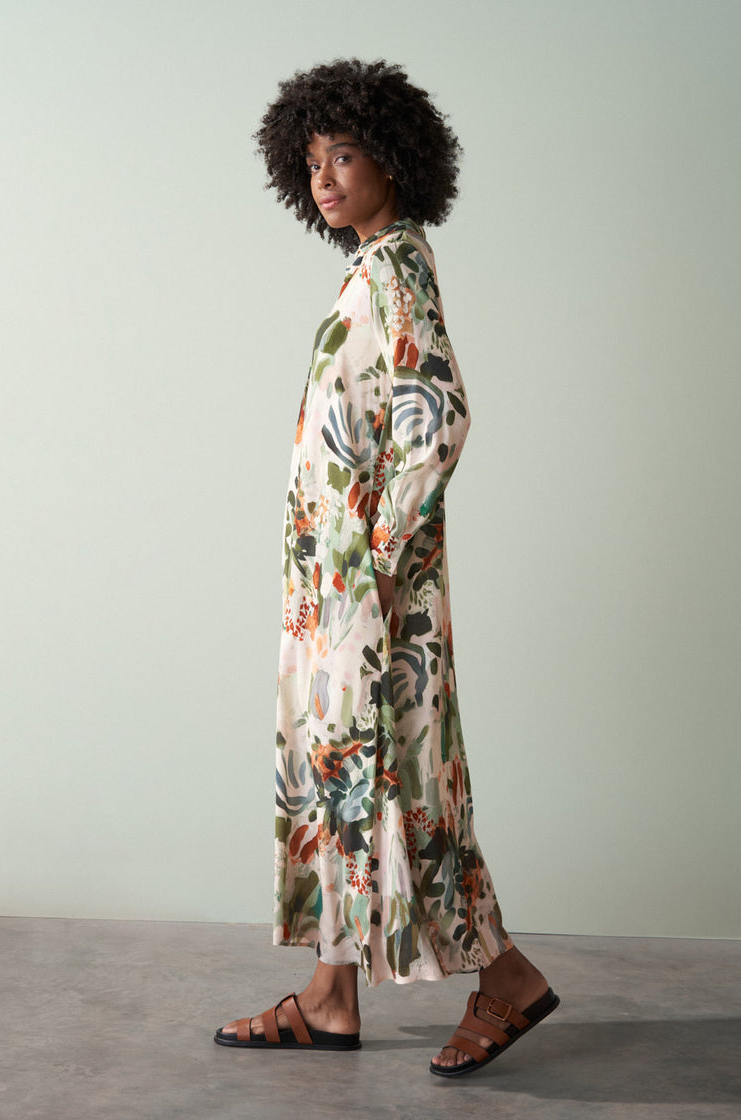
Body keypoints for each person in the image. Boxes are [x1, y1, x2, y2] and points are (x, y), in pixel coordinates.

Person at [215, 58, 558, 1077]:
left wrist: (374, 557)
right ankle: (328, 995)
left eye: (345, 154)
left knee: (397, 783)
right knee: (340, 778)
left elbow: (437, 415)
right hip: (333, 593)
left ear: (393, 161)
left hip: (368, 597)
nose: (325, 177)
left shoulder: (398, 266)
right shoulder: (368, 267)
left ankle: (506, 980)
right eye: (311, 160)